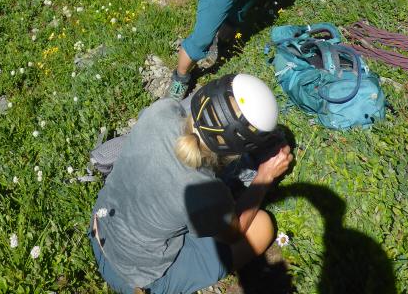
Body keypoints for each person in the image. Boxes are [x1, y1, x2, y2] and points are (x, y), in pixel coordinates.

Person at [89, 73, 294, 294]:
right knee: (261, 226)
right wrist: (264, 176)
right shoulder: (205, 192)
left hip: (100, 226)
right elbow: (235, 233)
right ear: (239, 149)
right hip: (133, 277)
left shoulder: (161, 111)